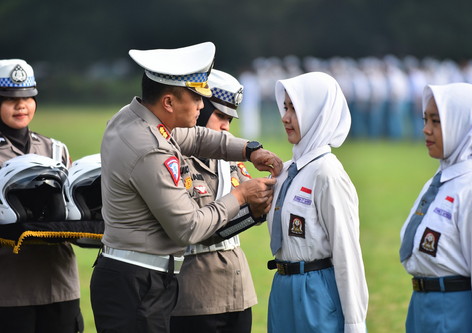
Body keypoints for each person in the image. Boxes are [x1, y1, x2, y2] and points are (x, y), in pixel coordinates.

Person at [90, 42, 282, 333]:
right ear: (168, 102)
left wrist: (249, 150)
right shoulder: (149, 148)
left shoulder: (136, 118)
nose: (202, 106)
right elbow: (189, 228)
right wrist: (240, 195)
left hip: (134, 277)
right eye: (196, 99)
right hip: (138, 285)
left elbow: (199, 138)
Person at [266, 72, 368, 333]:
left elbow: (346, 251)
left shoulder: (327, 173)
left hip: (316, 290)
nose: (285, 117)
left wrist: (355, 323)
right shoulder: (286, 172)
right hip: (282, 287)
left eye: (294, 109)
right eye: (285, 107)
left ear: (316, 113)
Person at [399, 82, 472, 333]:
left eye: (437, 121)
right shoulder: (441, 181)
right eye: (425, 119)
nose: (426, 130)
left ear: (464, 125)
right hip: (422, 309)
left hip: (453, 314)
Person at [170, 69, 258, 332]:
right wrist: (247, 205)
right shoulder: (171, 156)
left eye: (230, 119)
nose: (226, 127)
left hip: (239, 291)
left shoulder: (229, 156)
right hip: (193, 295)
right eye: (220, 115)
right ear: (201, 108)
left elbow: (255, 208)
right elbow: (196, 228)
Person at [0, 59, 83, 332]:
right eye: (10, 99)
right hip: (9, 289)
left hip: (59, 284)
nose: (21, 105)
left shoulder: (55, 150)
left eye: (28, 97)